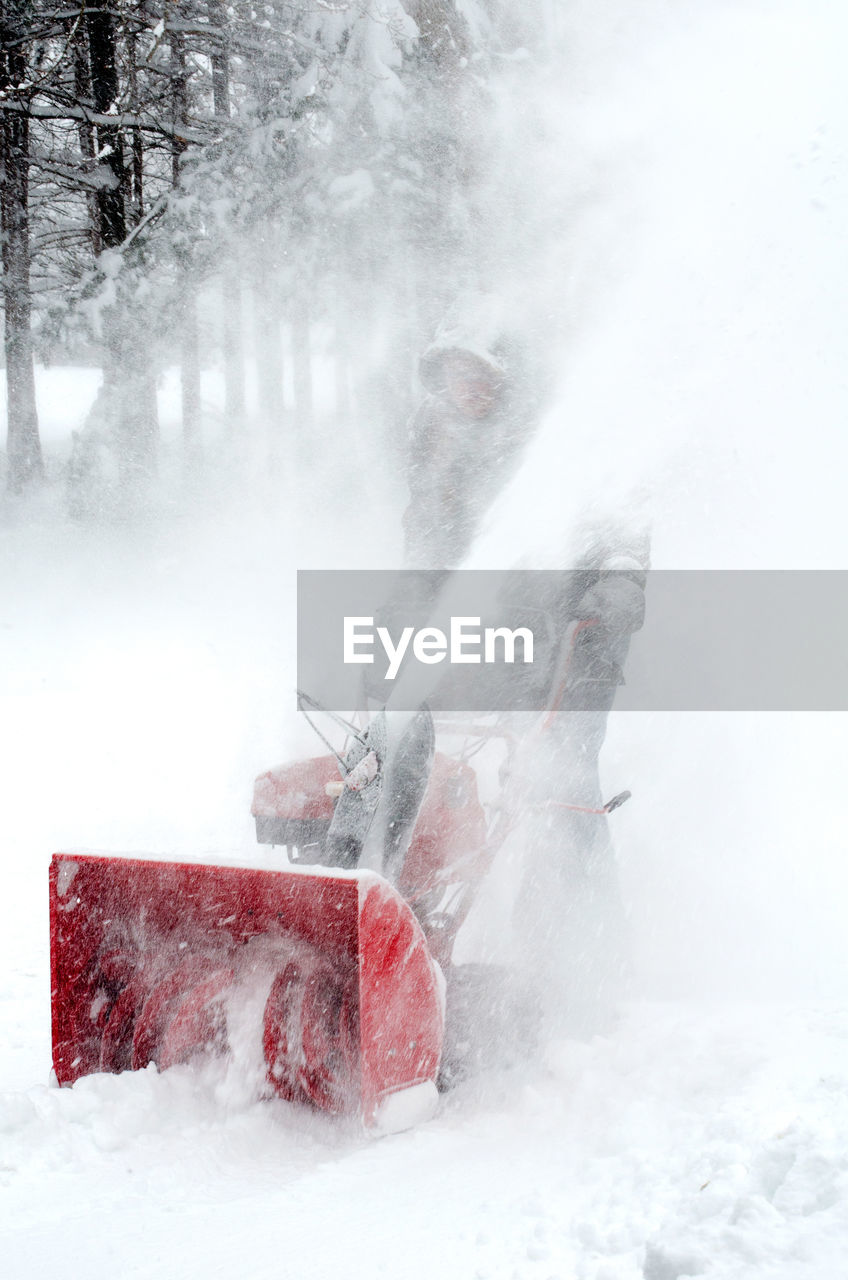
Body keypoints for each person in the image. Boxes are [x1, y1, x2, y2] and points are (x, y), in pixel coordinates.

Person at [402, 318, 542, 569]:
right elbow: (423, 519)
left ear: (502, 376)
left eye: (479, 374)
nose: (468, 386)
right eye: (456, 374)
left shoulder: (540, 427)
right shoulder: (432, 428)